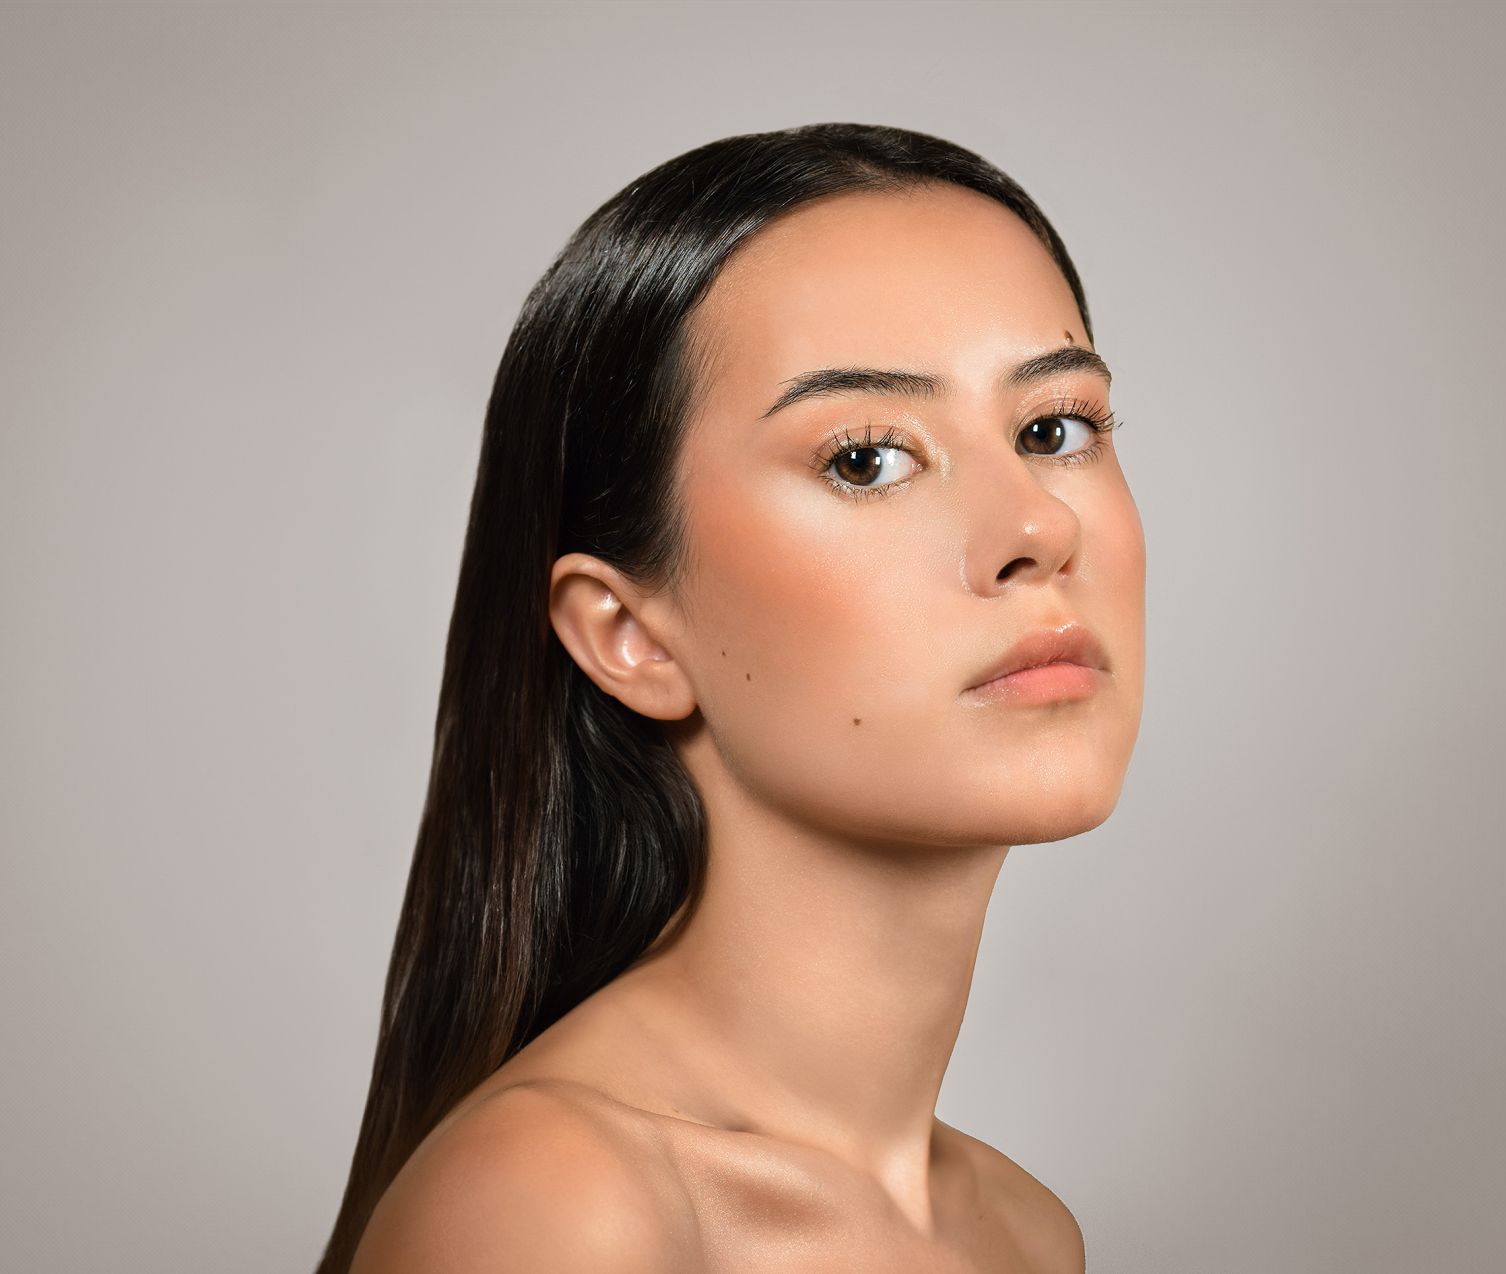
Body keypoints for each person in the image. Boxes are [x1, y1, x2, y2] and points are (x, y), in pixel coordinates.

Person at [319, 121, 1145, 1273]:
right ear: (629, 634)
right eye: (866, 457)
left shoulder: (1028, 1233)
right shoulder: (555, 1210)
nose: (1039, 527)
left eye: (1054, 429)